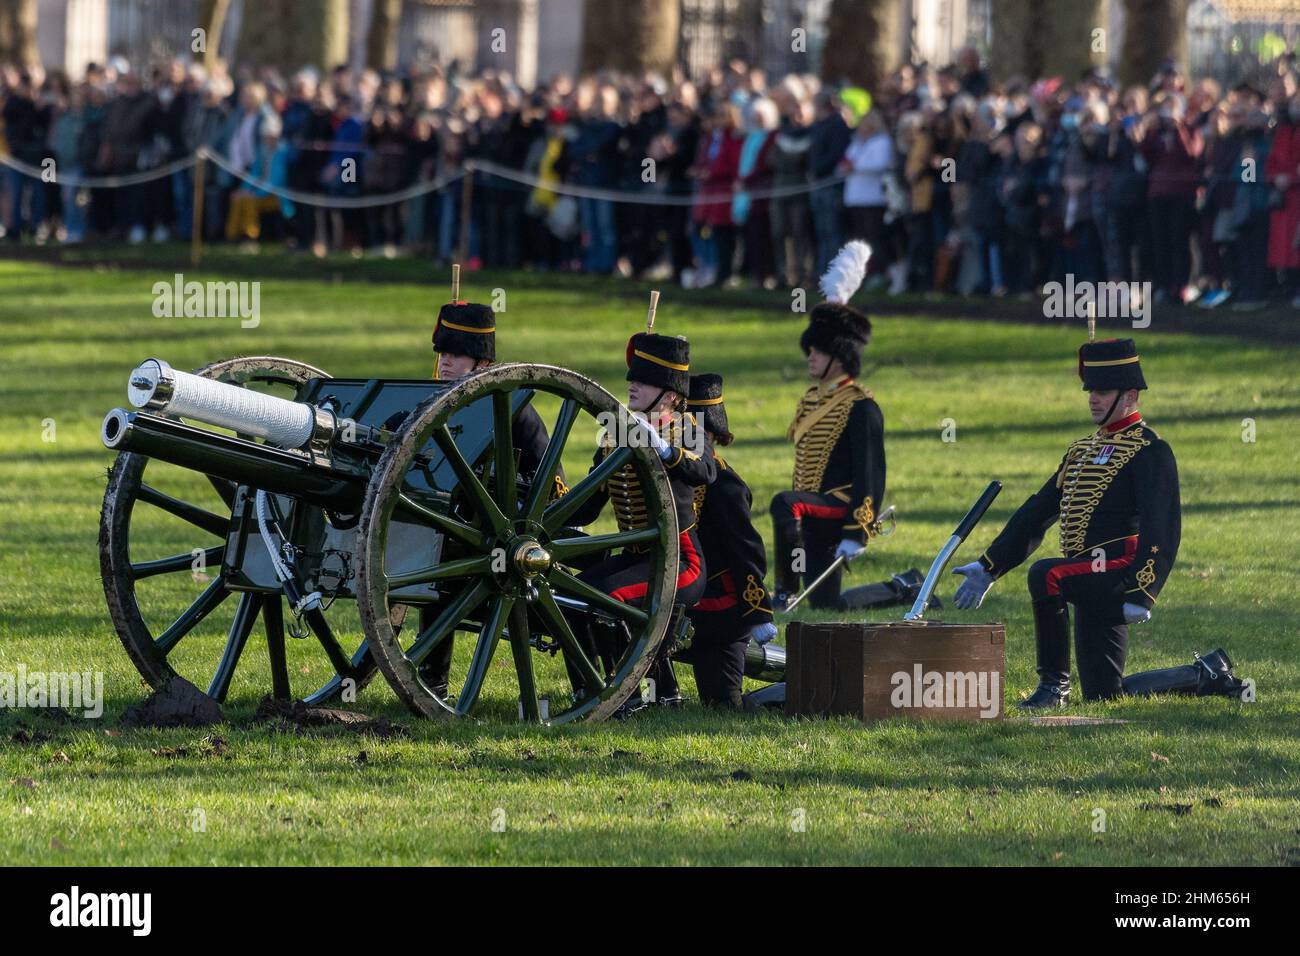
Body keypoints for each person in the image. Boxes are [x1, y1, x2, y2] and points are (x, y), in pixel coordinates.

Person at [952, 338, 1247, 706]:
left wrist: (1143, 590)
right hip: (1087, 573)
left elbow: (1163, 527)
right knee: (1105, 695)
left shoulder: (1150, 450)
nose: (1093, 398)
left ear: (1130, 395)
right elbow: (1038, 510)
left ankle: (1053, 687)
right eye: (1090, 389)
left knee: (1047, 575)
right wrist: (990, 565)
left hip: (1119, 570)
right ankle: (1206, 673)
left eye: (1103, 391)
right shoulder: (1080, 450)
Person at [409, 289, 562, 700]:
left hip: (499, 538)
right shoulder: (426, 402)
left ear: (484, 364)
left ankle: (432, 680)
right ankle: (430, 678)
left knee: (438, 558)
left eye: (456, 355)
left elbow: (554, 485)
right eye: (442, 353)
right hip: (444, 521)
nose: (445, 361)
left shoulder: (515, 411)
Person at [564, 330, 716, 709]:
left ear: (669, 394)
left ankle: (627, 696)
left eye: (643, 379)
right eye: (632, 375)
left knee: (607, 601)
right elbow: (587, 506)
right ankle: (591, 691)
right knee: (569, 598)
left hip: (680, 562)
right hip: (636, 558)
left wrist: (663, 448)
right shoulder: (616, 436)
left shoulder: (687, 429)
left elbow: (704, 471)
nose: (631, 384)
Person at [770, 242, 886, 610]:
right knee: (826, 604)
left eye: (818, 351)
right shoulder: (811, 399)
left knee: (783, 504)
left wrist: (858, 530)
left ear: (840, 355)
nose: (810, 357)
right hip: (811, 510)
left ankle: (784, 589)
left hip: (837, 507)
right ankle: (903, 587)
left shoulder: (862, 406)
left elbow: (870, 475)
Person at [679, 373, 776, 708]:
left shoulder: (726, 485)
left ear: (710, 434)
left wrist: (758, 610)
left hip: (721, 609)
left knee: (723, 705)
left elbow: (746, 551)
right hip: (684, 594)